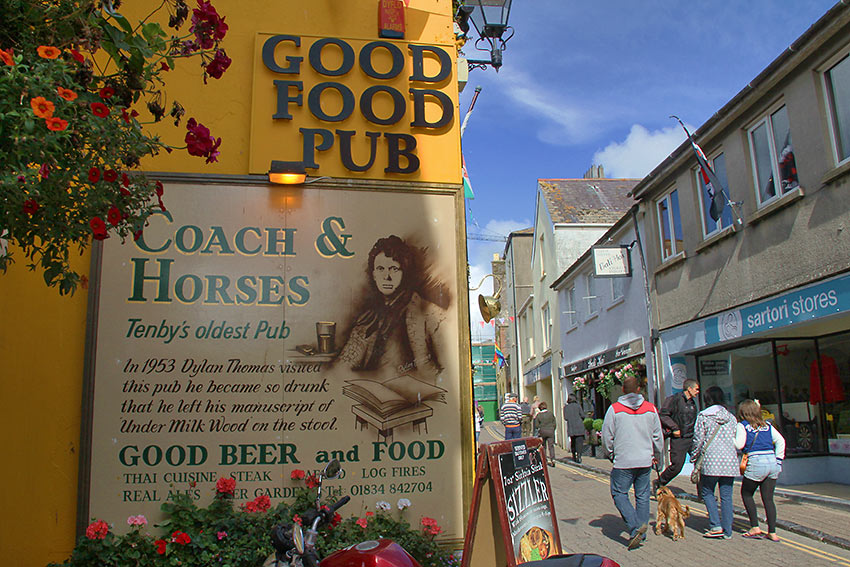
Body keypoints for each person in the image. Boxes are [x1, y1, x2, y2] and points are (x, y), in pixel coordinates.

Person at [337, 235, 444, 382]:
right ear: (374, 275)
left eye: (394, 269)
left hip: (419, 399)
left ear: (404, 273)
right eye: (380, 269)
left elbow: (448, 373)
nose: (386, 277)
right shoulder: (368, 320)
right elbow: (342, 367)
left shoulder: (430, 313)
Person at [602, 376, 663, 550]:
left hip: (623, 460)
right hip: (645, 460)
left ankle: (635, 527)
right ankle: (641, 532)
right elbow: (658, 436)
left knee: (619, 493)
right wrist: (657, 455)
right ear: (638, 390)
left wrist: (610, 454)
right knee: (642, 495)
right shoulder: (651, 409)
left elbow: (607, 437)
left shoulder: (614, 409)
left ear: (622, 390)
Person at [691, 386, 738, 540]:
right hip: (729, 460)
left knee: (707, 492)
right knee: (726, 496)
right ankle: (728, 530)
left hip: (711, 460)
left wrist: (694, 457)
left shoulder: (703, 416)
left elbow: (698, 439)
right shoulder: (731, 417)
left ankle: (715, 525)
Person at [736, 399, 786, 542]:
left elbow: (739, 444)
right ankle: (772, 532)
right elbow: (781, 441)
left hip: (756, 462)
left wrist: (730, 440)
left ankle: (755, 526)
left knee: (746, 493)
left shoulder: (743, 426)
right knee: (768, 499)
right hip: (772, 462)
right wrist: (779, 460)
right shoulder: (767, 425)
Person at [657, 379, 700, 490]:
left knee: (700, 464)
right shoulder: (674, 400)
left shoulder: (692, 402)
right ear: (689, 389)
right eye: (696, 389)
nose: (698, 392)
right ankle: (659, 483)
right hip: (679, 439)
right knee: (677, 467)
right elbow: (663, 415)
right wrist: (674, 428)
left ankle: (704, 494)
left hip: (691, 437)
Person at [533, 401, 557, 466]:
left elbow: (537, 425)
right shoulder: (550, 414)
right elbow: (554, 423)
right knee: (551, 446)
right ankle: (553, 459)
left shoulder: (539, 415)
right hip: (550, 431)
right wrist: (552, 429)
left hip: (543, 431)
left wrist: (540, 429)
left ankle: (544, 459)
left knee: (544, 446)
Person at [563, 395, 586, 463]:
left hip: (571, 427)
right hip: (579, 426)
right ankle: (579, 457)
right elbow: (582, 415)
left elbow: (566, 418)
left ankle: (573, 455)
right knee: (579, 442)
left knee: (573, 442)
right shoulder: (578, 406)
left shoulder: (566, 407)